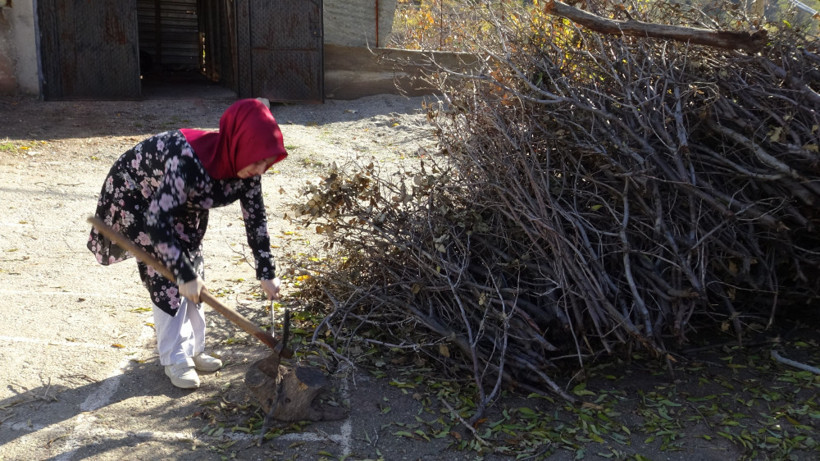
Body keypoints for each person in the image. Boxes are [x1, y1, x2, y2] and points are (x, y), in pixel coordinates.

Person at [87, 98, 287, 389]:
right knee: (169, 280)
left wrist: (266, 272)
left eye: (266, 163)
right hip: (139, 196)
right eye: (257, 161)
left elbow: (256, 218)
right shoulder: (187, 163)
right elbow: (156, 222)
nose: (260, 170)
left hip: (179, 204)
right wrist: (182, 273)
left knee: (196, 276)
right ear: (239, 145)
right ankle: (175, 358)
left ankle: (195, 350)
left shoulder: (248, 169)